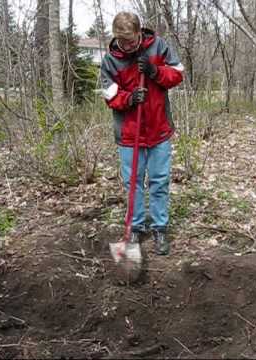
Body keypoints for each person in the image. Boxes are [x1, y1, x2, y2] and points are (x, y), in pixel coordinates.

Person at [100, 12, 184, 255]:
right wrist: (129, 98)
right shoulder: (111, 60)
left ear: (139, 33)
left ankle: (159, 228)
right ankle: (135, 228)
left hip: (158, 130)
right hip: (129, 134)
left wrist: (155, 71)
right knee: (133, 183)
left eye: (131, 41)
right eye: (122, 41)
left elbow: (177, 74)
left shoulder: (158, 46)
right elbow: (109, 94)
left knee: (159, 181)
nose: (127, 46)